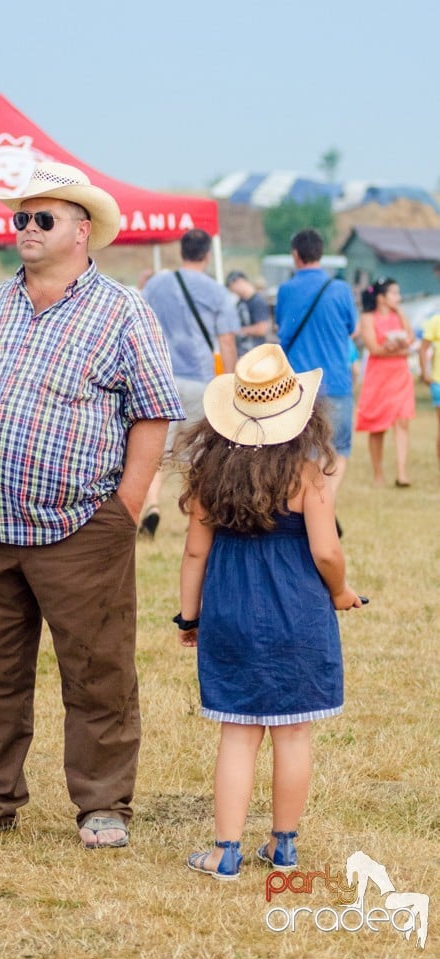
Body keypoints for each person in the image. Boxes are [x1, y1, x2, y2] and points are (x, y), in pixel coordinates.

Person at [0, 162, 184, 848]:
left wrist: (126, 507)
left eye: (43, 218)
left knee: (97, 670)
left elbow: (153, 415)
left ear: (82, 230)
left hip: (80, 525)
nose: (27, 230)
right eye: (21, 218)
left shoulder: (123, 309)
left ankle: (102, 806)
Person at [173, 344, 364, 880]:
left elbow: (194, 553)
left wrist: (190, 618)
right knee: (293, 733)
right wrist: (342, 591)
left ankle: (225, 852)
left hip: (230, 611)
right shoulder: (308, 475)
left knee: (237, 733)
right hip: (296, 612)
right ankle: (283, 846)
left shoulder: (211, 472)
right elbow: (326, 552)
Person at [138, 229, 239, 537]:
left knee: (156, 452)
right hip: (200, 380)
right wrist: (232, 382)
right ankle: (191, 518)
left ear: (181, 251)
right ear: (207, 254)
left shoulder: (157, 284)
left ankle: (152, 505)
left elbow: (141, 322)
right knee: (198, 455)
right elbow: (227, 341)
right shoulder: (217, 292)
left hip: (160, 378)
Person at [275, 229, 357, 504]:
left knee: (300, 451)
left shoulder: (286, 290)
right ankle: (326, 503)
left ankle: (307, 507)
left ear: (296, 255)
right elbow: (351, 329)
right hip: (336, 381)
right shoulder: (341, 289)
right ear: (321, 254)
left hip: (298, 386)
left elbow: (282, 330)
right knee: (338, 449)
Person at [355, 279, 415, 487]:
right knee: (378, 425)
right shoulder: (368, 318)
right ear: (381, 297)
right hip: (379, 377)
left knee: (403, 421)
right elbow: (374, 348)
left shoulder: (400, 315)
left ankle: (402, 473)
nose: (398, 298)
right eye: (394, 293)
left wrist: (397, 347)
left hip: (400, 375)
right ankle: (378, 473)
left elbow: (411, 340)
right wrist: (397, 350)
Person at [225, 270, 271, 357]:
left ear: (238, 282)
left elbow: (262, 329)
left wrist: (239, 331)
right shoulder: (240, 302)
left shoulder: (258, 302)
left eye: (231, 287)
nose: (233, 292)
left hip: (255, 353)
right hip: (243, 353)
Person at [419, 311, 440, 469]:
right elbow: (423, 349)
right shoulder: (435, 321)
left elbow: (423, 349)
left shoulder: (435, 320)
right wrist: (425, 373)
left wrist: (425, 373)